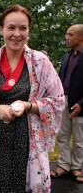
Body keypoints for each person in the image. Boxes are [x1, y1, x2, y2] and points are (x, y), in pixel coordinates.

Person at [0, 5, 65, 193]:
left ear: (29, 31)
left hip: (27, 140)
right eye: (11, 27)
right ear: (1, 29)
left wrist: (28, 105)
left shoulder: (40, 62)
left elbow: (58, 100)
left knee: (22, 186)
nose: (17, 34)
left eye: (23, 28)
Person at [50, 24, 83, 183]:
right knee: (62, 135)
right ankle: (64, 165)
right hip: (63, 101)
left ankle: (76, 167)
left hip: (80, 105)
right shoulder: (65, 57)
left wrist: (82, 104)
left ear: (81, 37)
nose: (66, 38)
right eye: (67, 34)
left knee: (79, 139)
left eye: (70, 35)